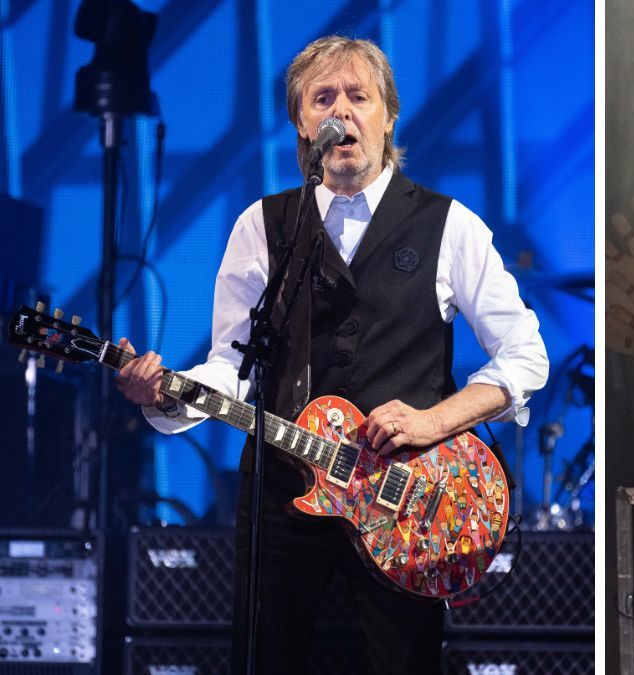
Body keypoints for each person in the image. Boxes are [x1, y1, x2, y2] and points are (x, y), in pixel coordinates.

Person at [114, 35, 548, 673]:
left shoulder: (449, 225)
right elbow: (230, 368)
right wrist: (165, 394)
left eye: (358, 97)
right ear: (302, 122)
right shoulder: (262, 226)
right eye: (323, 99)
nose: (341, 112)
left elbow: (524, 355)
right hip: (285, 495)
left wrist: (434, 421)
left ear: (387, 115)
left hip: (407, 500)